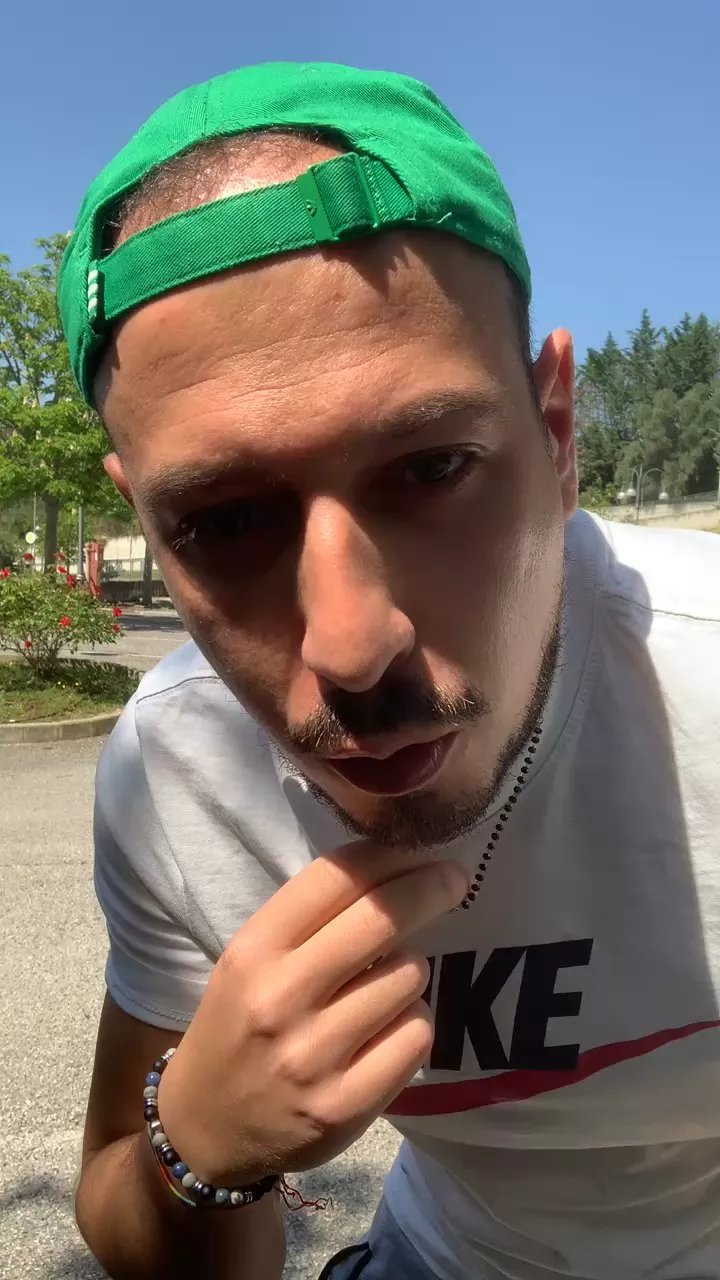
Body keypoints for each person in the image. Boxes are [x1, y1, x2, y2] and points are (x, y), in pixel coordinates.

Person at [57, 62, 720, 1280]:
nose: (354, 647)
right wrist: (199, 1147)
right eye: (225, 521)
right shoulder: (179, 768)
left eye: (431, 468)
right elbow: (138, 1207)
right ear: (143, 515)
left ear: (556, 435)